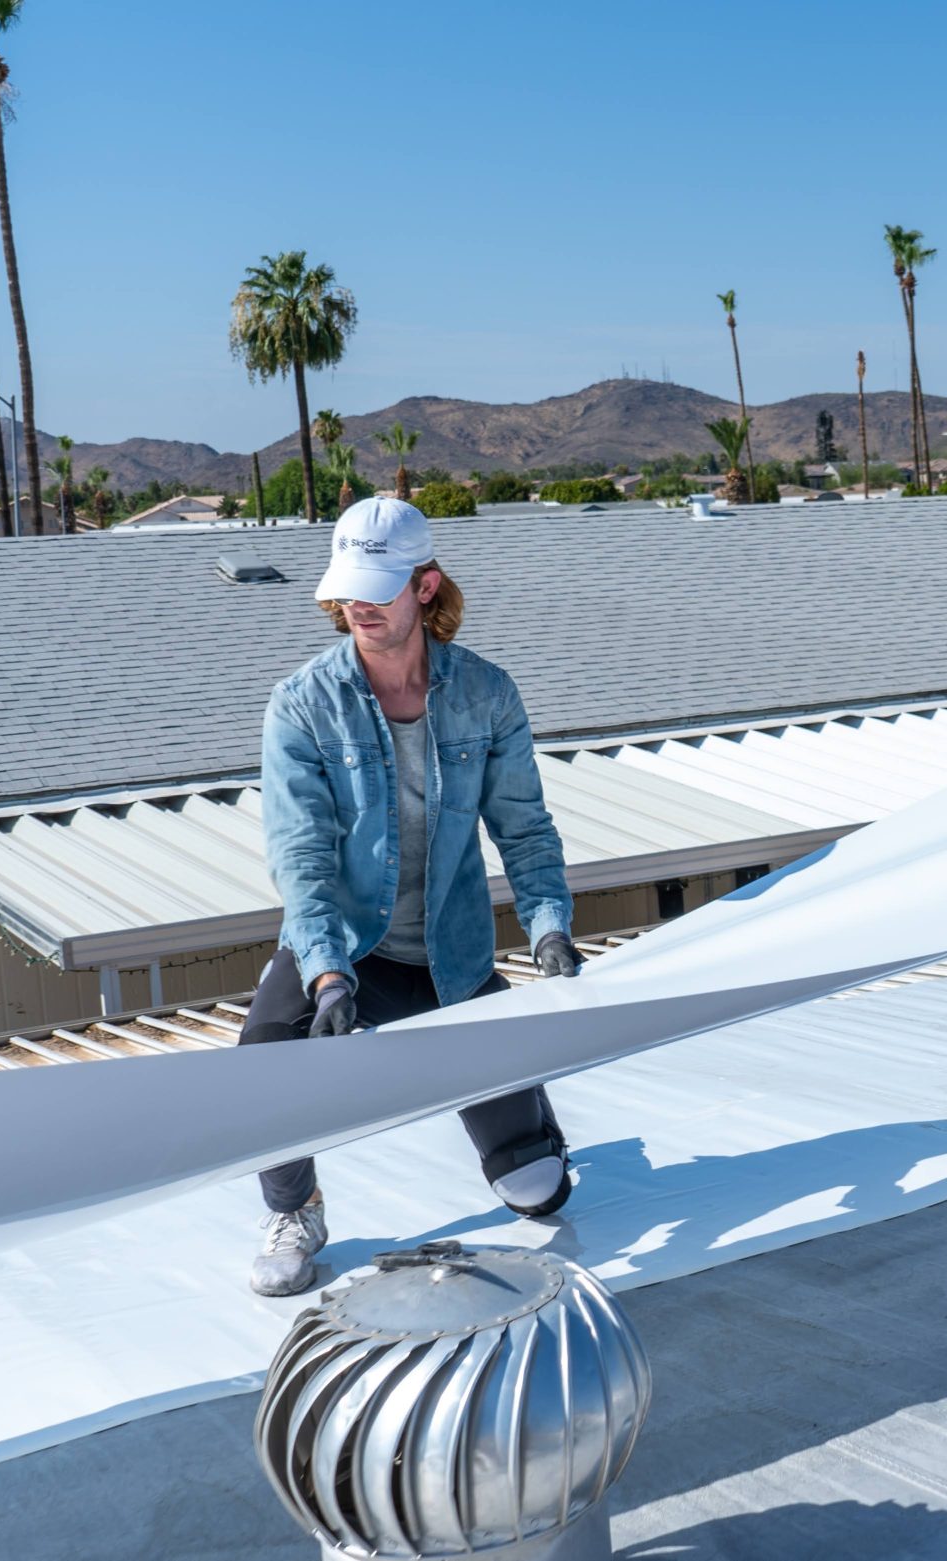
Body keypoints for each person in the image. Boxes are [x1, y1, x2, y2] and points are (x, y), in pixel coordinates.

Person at [243, 495, 586, 1296]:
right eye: (348, 586)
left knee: (539, 1196)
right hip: (345, 946)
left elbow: (526, 831)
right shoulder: (302, 704)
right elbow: (301, 858)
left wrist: (548, 930)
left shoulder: (487, 695)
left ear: (426, 587)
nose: (358, 603)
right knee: (260, 1060)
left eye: (379, 586)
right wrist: (327, 974)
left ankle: (534, 1130)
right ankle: (295, 1207)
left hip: (450, 957)